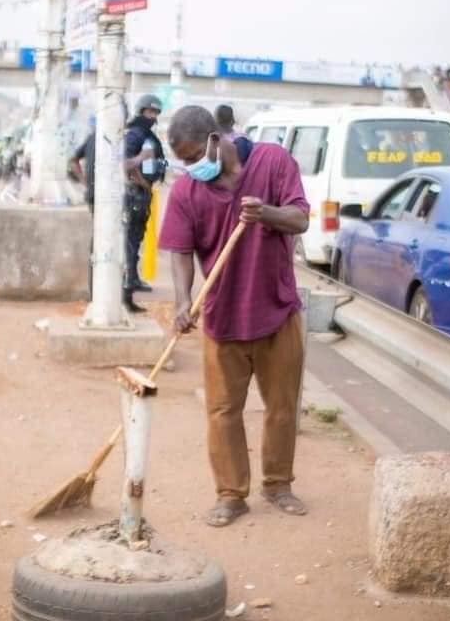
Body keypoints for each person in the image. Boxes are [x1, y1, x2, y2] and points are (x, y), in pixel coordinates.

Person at [160, 105, 310, 527]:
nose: (189, 168)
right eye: (183, 162)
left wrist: (267, 214)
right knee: (223, 411)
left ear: (214, 140)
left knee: (281, 406)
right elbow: (180, 251)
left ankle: (278, 484)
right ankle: (231, 494)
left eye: (192, 158)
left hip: (278, 311)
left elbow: (300, 219)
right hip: (222, 316)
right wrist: (181, 301)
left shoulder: (272, 162)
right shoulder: (186, 192)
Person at [122, 94, 167, 313]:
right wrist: (144, 184)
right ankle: (128, 283)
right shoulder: (134, 134)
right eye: (150, 112)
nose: (153, 116)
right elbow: (126, 165)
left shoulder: (147, 134)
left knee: (137, 238)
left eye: (156, 113)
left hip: (144, 193)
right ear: (141, 111)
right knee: (130, 239)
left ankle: (134, 278)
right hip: (135, 194)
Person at [70, 116, 97, 295]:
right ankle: (95, 290)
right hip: (103, 198)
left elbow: (73, 160)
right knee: (100, 243)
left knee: (97, 241)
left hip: (93, 195)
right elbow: (73, 161)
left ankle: (94, 290)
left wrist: (84, 181)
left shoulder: (91, 138)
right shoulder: (115, 140)